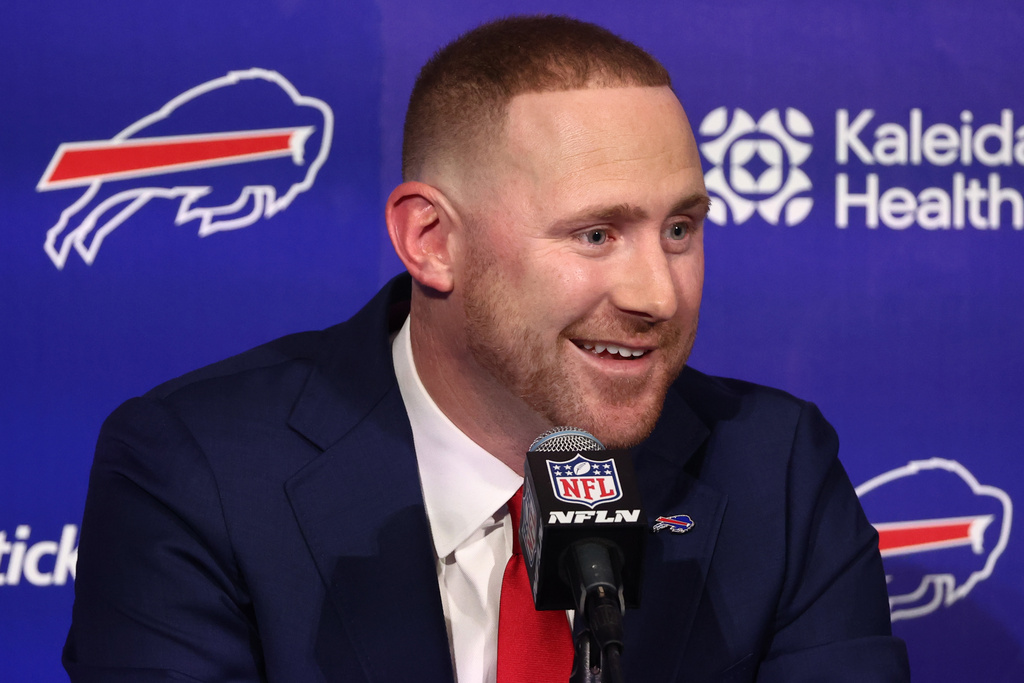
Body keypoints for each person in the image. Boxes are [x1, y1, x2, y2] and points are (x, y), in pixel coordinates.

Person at [64, 15, 910, 683]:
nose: (658, 293)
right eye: (595, 233)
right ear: (431, 239)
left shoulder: (775, 469)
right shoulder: (197, 471)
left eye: (681, 228)